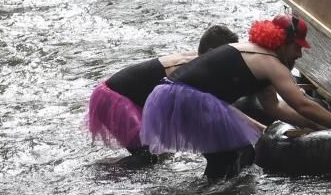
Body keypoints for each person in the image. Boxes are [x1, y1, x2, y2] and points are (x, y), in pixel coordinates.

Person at [140, 15, 331, 180]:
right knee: (236, 154)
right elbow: (301, 104)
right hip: (183, 97)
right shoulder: (270, 63)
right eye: (297, 47)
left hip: (169, 94)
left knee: (235, 155)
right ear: (283, 43)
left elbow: (274, 108)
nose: (300, 54)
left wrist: (316, 125)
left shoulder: (258, 55)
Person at [85, 25, 239, 166]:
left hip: (128, 95)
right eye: (226, 55)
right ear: (212, 52)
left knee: (161, 153)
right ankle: (103, 168)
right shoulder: (188, 68)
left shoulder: (200, 61)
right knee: (146, 158)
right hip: (114, 99)